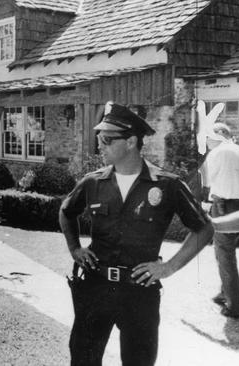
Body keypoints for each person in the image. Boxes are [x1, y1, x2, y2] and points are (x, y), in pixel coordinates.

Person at [59, 102, 214, 366]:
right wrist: (75, 248)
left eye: (107, 139)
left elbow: (204, 228)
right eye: (99, 138)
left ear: (131, 142)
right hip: (97, 287)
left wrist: (169, 268)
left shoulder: (167, 184)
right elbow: (66, 211)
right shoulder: (93, 181)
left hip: (139, 293)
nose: (100, 144)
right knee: (83, 360)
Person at [200, 122, 239, 319]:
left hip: (223, 207)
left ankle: (234, 306)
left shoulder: (217, 153)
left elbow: (205, 182)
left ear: (218, 135)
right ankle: (224, 292)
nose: (207, 142)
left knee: (224, 254)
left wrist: (203, 205)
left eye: (209, 138)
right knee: (226, 252)